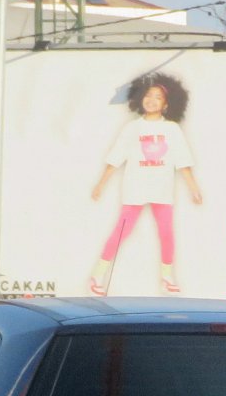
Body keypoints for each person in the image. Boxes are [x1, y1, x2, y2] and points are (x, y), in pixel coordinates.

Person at [87, 73, 203, 295]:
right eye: (148, 95)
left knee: (167, 232)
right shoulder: (133, 128)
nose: (152, 100)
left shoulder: (172, 129)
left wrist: (194, 189)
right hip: (136, 188)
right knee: (122, 230)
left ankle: (167, 276)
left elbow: (183, 162)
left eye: (158, 97)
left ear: (166, 104)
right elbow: (116, 157)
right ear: (140, 99)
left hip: (162, 189)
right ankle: (97, 274)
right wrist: (101, 184)